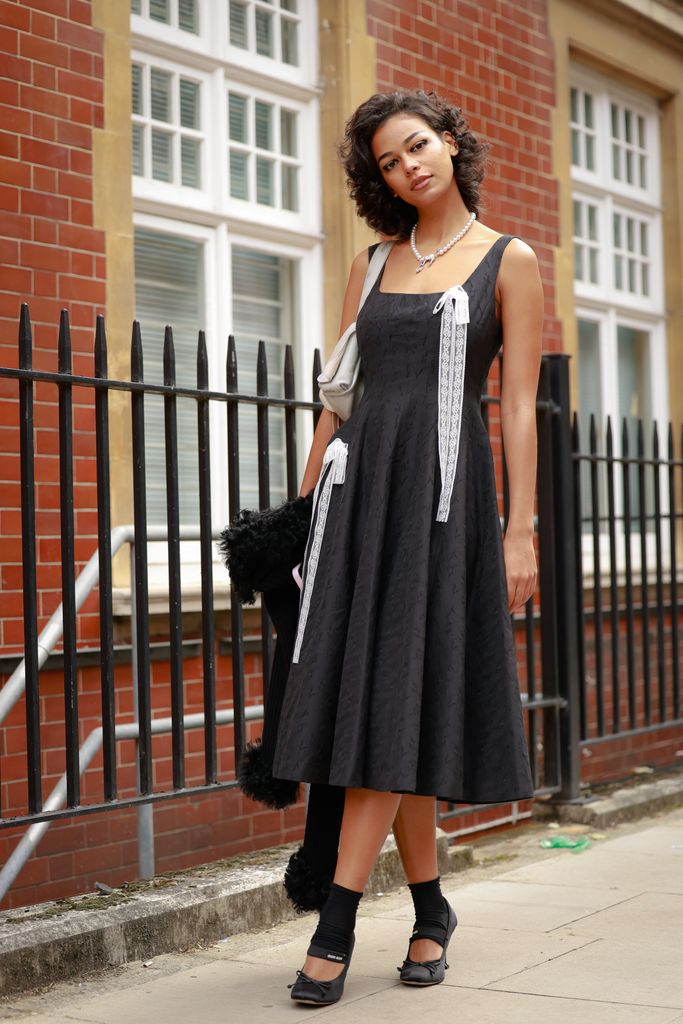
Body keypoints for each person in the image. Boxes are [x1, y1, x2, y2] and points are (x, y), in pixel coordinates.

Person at [272, 88, 543, 1006]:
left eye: (417, 146)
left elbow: (513, 410)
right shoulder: (373, 262)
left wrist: (519, 533)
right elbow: (337, 396)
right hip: (358, 502)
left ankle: (335, 925)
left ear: (452, 143)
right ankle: (430, 911)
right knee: (390, 709)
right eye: (388, 161)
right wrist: (301, 512)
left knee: (393, 701)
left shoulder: (509, 261)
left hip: (440, 506)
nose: (408, 167)